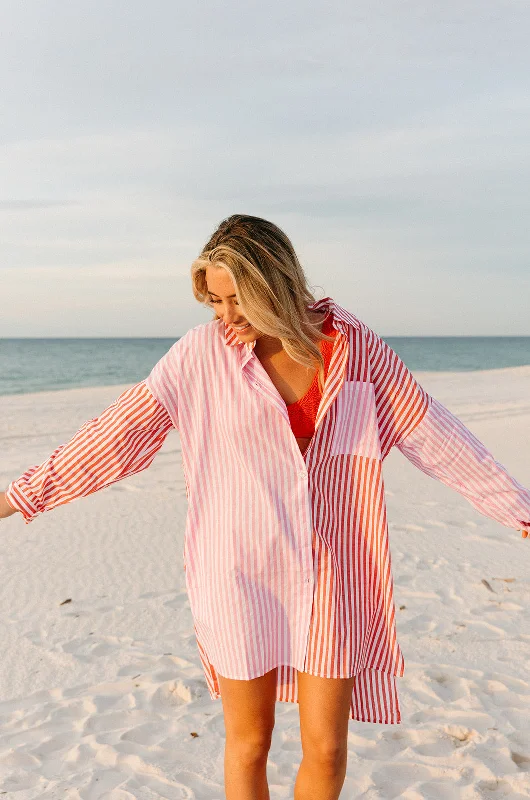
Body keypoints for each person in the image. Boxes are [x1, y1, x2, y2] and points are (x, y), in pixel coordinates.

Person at [1, 213, 529, 800]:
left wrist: (517, 508)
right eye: (215, 301)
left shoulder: (356, 351)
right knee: (250, 742)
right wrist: (17, 497)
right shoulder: (199, 356)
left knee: (326, 750)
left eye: (236, 299)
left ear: (274, 284)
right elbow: (117, 435)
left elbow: (433, 432)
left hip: (330, 575)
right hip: (238, 571)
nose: (225, 316)